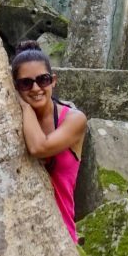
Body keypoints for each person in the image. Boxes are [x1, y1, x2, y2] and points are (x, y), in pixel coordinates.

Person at [13, 42, 86, 242]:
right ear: (16, 87)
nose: (36, 88)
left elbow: (39, 147)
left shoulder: (74, 119)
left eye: (42, 80)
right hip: (20, 236)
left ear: (53, 81)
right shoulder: (11, 119)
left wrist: (26, 109)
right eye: (26, 83)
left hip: (61, 236)